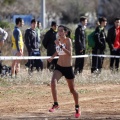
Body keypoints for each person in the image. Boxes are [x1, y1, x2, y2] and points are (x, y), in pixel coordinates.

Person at [48, 25, 80, 118]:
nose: (60, 32)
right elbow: (58, 51)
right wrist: (52, 57)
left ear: (66, 32)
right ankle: (56, 104)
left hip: (68, 68)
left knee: (72, 90)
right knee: (53, 83)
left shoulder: (68, 40)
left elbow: (70, 53)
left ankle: (77, 107)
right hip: (59, 67)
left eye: (62, 31)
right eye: (59, 31)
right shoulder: (58, 40)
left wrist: (60, 45)